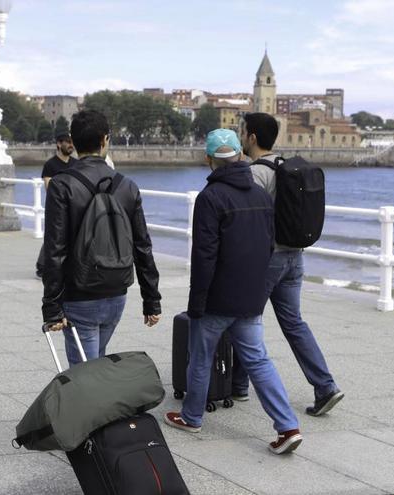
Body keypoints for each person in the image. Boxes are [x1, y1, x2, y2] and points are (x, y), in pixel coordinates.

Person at [163, 128, 302, 455]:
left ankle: (192, 417)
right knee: (259, 360)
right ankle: (288, 426)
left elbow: (204, 256)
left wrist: (196, 302)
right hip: (250, 296)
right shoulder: (259, 195)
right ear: (239, 155)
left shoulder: (210, 198)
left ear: (209, 159)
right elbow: (269, 246)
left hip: (218, 298)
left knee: (200, 357)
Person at [239, 113, 344, 416]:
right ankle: (325, 386)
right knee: (294, 323)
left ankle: (239, 385)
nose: (241, 137)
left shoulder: (256, 174)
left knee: (243, 319)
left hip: (267, 259)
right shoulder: (285, 167)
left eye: (242, 132)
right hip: (295, 257)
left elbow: (248, 221)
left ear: (253, 138)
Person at [41, 109, 161, 365]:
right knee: (97, 365)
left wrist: (51, 306)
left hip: (79, 293)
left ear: (73, 141)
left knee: (83, 375)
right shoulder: (127, 186)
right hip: (117, 291)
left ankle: (89, 404)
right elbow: (142, 246)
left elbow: (55, 249)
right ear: (106, 139)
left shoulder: (62, 185)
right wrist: (151, 300)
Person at [35, 132, 77, 278]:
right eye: (67, 142)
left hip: (73, 206)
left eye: (72, 142)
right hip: (56, 206)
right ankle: (42, 265)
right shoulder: (50, 164)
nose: (71, 145)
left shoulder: (75, 164)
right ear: (59, 144)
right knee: (53, 236)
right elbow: (48, 187)